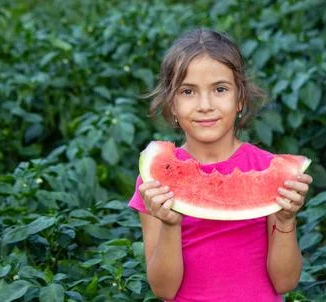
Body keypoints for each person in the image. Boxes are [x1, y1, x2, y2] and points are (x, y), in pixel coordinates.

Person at [128, 28, 313, 302]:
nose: (205, 105)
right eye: (188, 91)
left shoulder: (268, 170)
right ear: (172, 105)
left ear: (239, 99)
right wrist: (170, 225)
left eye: (220, 89)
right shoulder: (156, 183)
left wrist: (286, 220)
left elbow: (285, 282)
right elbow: (164, 290)